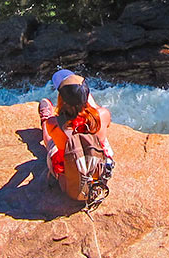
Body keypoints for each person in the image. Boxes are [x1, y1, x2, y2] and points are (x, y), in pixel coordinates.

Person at [38, 70, 115, 201]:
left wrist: (49, 120)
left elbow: (69, 125)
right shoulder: (103, 115)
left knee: (51, 143)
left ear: (61, 99)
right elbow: (100, 119)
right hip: (97, 176)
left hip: (70, 182)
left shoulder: (54, 123)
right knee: (101, 137)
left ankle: (43, 119)